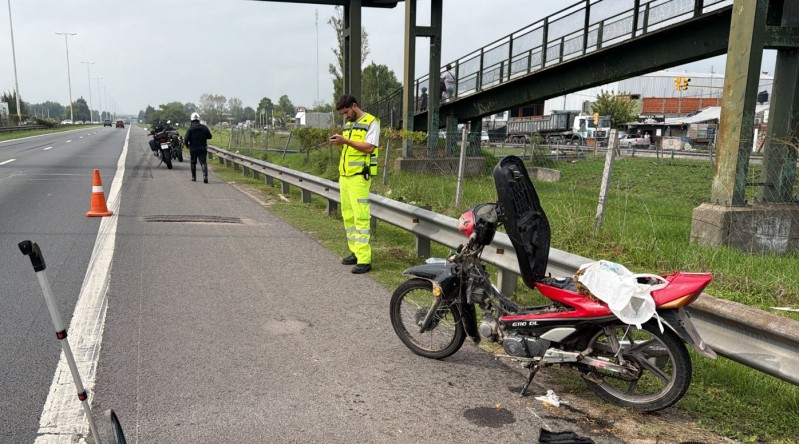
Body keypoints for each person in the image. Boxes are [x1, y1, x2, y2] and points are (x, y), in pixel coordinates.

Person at [328, 95, 380, 274]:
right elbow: (349, 149)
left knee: (361, 218)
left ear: (354, 106)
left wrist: (346, 141)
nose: (345, 116)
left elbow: (369, 147)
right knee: (348, 216)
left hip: (359, 177)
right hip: (345, 177)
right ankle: (356, 253)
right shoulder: (349, 124)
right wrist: (340, 143)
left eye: (346, 112)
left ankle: (365, 260)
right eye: (342, 114)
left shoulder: (371, 122)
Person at [183, 112, 213, 183]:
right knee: (203, 162)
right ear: (198, 119)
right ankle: (205, 176)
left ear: (191, 120)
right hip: (202, 147)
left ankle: (194, 177)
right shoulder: (204, 127)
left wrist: (187, 145)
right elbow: (210, 136)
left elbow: (185, 139)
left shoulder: (190, 129)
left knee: (193, 162)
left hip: (193, 148)